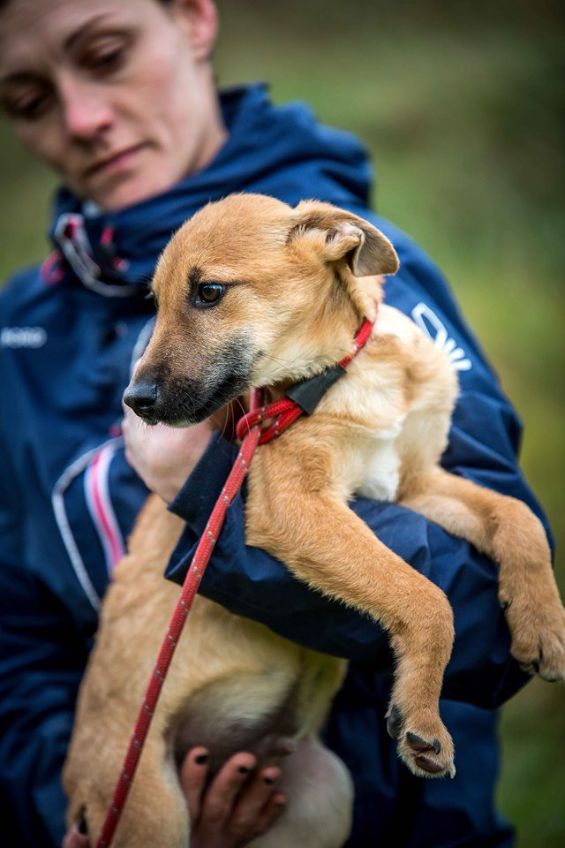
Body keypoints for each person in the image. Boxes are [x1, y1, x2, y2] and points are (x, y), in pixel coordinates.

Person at [0, 1, 551, 846]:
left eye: (106, 54)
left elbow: (492, 632)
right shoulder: (19, 331)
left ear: (193, 18)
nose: (82, 119)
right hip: (140, 767)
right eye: (27, 101)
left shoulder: (351, 280)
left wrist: (203, 488)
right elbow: (14, 637)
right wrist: (69, 809)